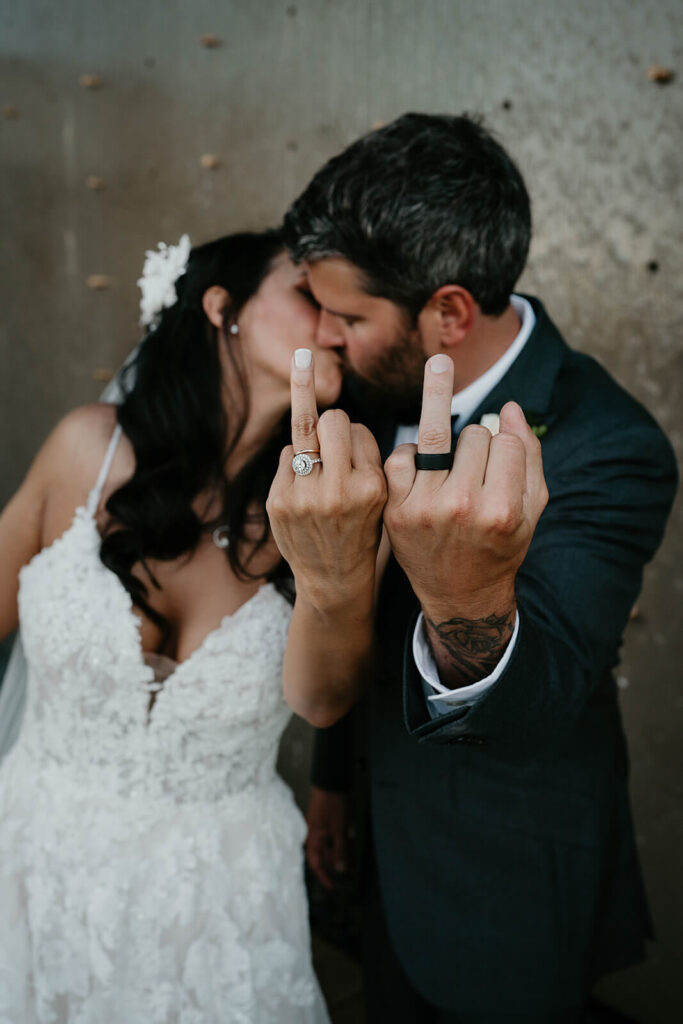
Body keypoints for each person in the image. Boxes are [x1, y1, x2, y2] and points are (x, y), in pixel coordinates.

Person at [266, 113, 678, 1022]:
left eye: (348, 314)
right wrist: (334, 778)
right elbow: (357, 618)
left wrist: (465, 594)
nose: (324, 335)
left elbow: (548, 691)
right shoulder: (370, 394)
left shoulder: (608, 445)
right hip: (372, 845)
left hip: (497, 874)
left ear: (448, 311)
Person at [0, 228, 344, 1023]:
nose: (334, 325)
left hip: (218, 909)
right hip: (33, 864)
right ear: (220, 307)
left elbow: (329, 697)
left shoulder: (322, 511)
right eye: (307, 295)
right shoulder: (87, 449)